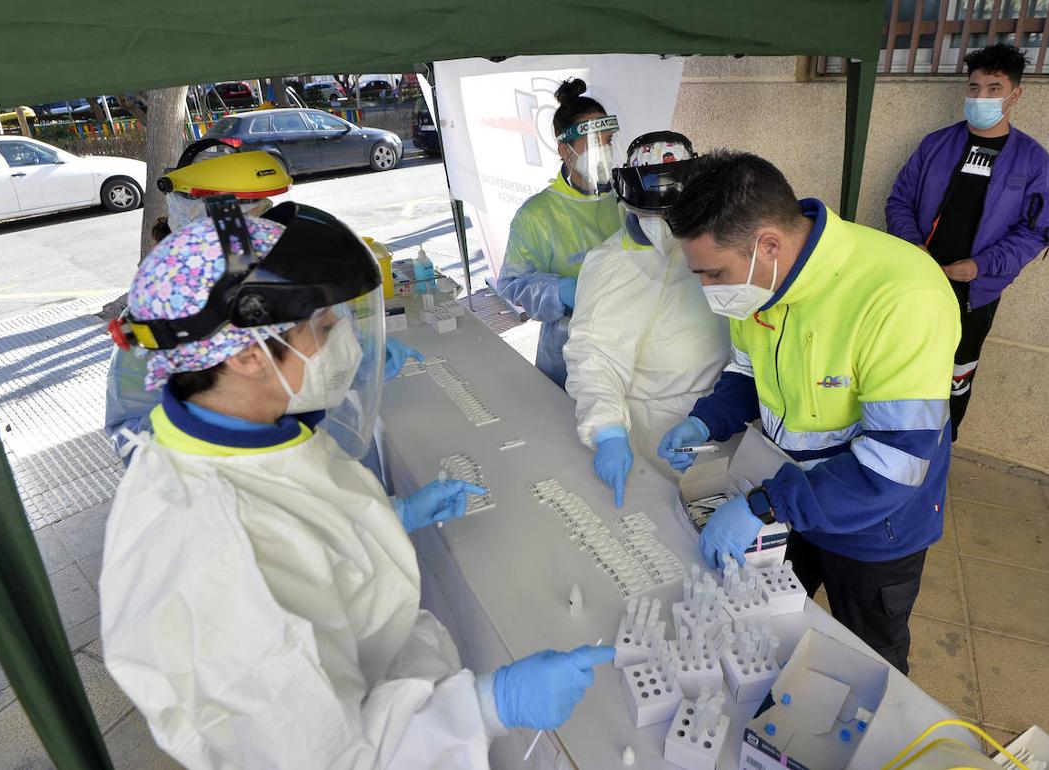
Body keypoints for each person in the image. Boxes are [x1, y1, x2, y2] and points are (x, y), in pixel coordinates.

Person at [99, 199, 614, 768]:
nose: (345, 341)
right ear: (246, 355)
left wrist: (387, 518)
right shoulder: (208, 568)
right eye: (321, 326)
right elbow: (325, 756)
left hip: (394, 671)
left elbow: (300, 543)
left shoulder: (249, 431)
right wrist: (488, 707)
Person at [656, 152, 959, 674]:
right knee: (769, 631)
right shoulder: (757, 285)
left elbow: (893, 466)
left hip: (874, 527)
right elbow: (748, 377)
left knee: (867, 662)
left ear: (767, 245)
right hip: (789, 500)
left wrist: (765, 505)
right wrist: (706, 419)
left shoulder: (901, 296)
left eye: (714, 274)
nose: (710, 292)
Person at [104, 143, 423, 460]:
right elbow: (132, 439)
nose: (266, 225)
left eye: (265, 209)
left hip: (333, 466)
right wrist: (251, 417)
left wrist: (361, 360)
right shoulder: (163, 316)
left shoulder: (280, 275)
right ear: (201, 221)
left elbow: (312, 343)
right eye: (250, 216)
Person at [885, 44, 1049, 441]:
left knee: (956, 373)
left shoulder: (1034, 161)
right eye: (974, 87)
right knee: (903, 364)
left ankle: (942, 445)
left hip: (975, 291)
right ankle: (894, 446)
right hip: (918, 280)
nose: (981, 98)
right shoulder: (935, 145)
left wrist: (980, 266)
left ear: (1015, 94)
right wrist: (914, 246)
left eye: (994, 88)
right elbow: (899, 201)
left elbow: (1038, 230)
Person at [565, 131, 730, 507]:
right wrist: (607, 432)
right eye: (653, 213)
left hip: (720, 419)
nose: (665, 224)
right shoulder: (614, 264)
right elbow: (595, 357)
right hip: (656, 434)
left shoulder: (714, 244)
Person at [496, 78, 622, 388]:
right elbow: (511, 284)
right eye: (593, 144)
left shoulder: (627, 199)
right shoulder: (537, 214)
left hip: (629, 343)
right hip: (569, 352)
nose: (603, 151)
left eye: (607, 141)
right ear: (565, 150)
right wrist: (561, 291)